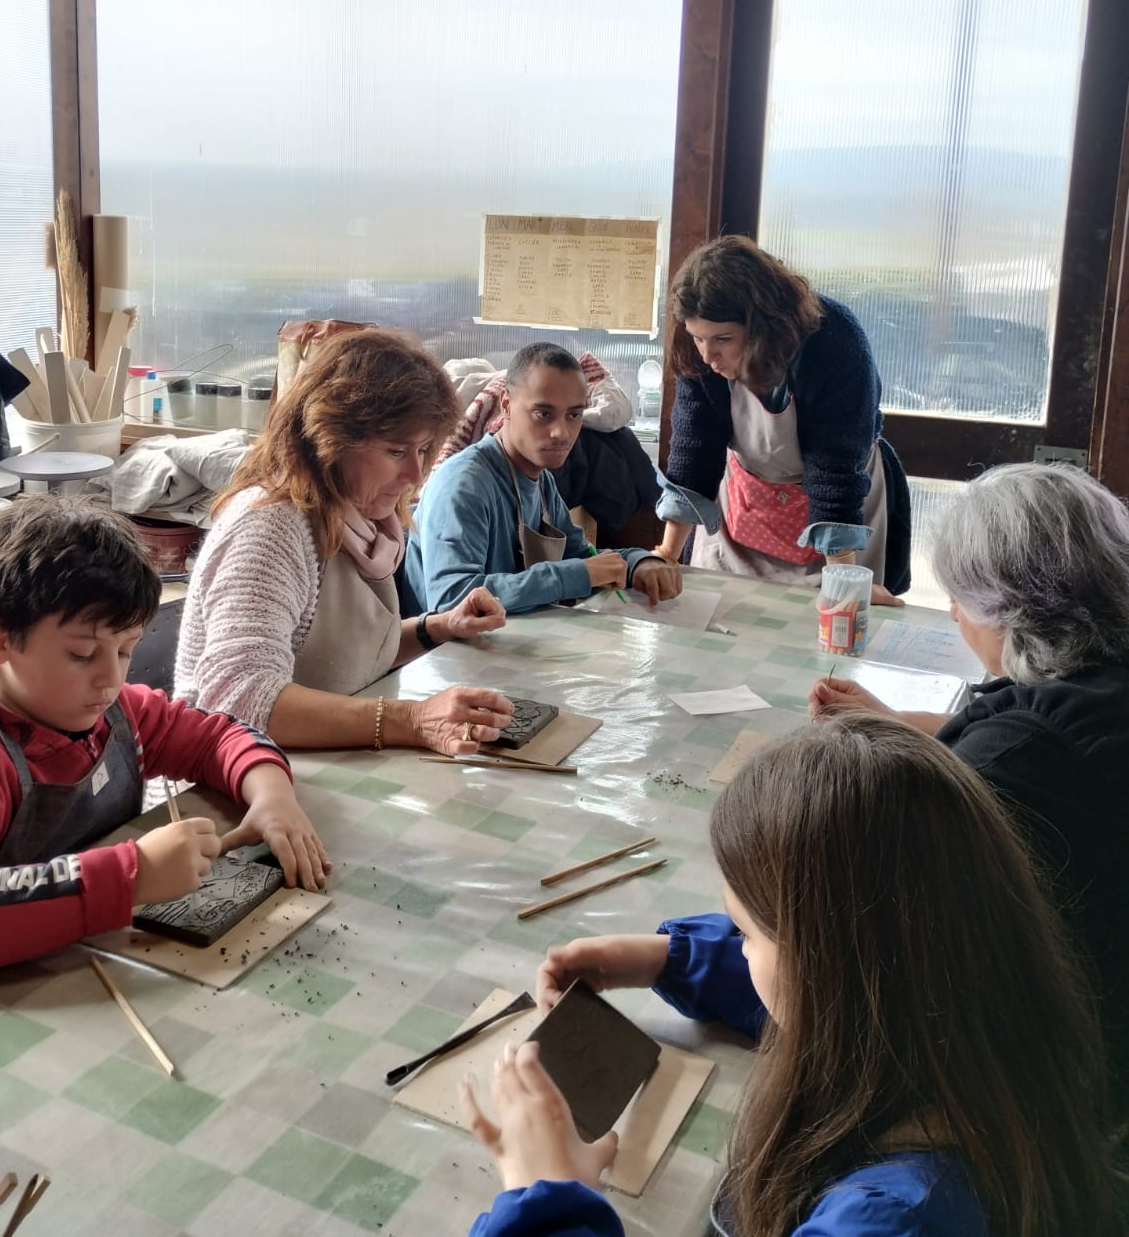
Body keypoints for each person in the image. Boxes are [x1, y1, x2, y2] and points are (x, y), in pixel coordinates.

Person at [462, 715, 1125, 1237]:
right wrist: (664, 957)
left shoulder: (899, 1220)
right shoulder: (967, 1017)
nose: (741, 948)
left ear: (825, 964)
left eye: (746, 934)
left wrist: (546, 1201)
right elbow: (848, 968)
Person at [809, 461, 1129, 1119]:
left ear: (1002, 608)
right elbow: (1028, 728)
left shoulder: (1017, 763)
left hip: (1064, 1078)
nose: (952, 612)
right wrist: (898, 725)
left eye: (958, 597)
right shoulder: (1095, 683)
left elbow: (896, 937)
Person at [0, 495, 328, 980]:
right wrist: (131, 877)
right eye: (82, 654)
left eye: (125, 651)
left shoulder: (115, 713)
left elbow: (214, 738)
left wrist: (271, 795)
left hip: (78, 957)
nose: (110, 680)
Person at [176, 329, 514, 753]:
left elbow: (336, 665)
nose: (416, 474)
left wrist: (437, 627)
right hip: (221, 785)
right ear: (330, 438)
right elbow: (241, 696)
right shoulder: (272, 528)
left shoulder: (364, 520)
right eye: (395, 451)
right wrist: (411, 718)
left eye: (425, 449)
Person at [659, 236, 910, 604]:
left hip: (838, 505)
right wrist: (666, 554)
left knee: (835, 613)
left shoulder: (834, 340)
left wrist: (845, 579)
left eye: (723, 339)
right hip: (747, 499)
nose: (709, 355)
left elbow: (834, 472)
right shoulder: (700, 356)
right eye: (698, 338)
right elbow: (692, 453)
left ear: (763, 325)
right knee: (725, 611)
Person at [405, 343, 682, 616]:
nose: (561, 432)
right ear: (506, 405)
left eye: (574, 415)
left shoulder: (541, 480)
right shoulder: (464, 484)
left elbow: (579, 555)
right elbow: (452, 599)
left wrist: (638, 563)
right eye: (543, 414)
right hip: (441, 656)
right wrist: (571, 576)